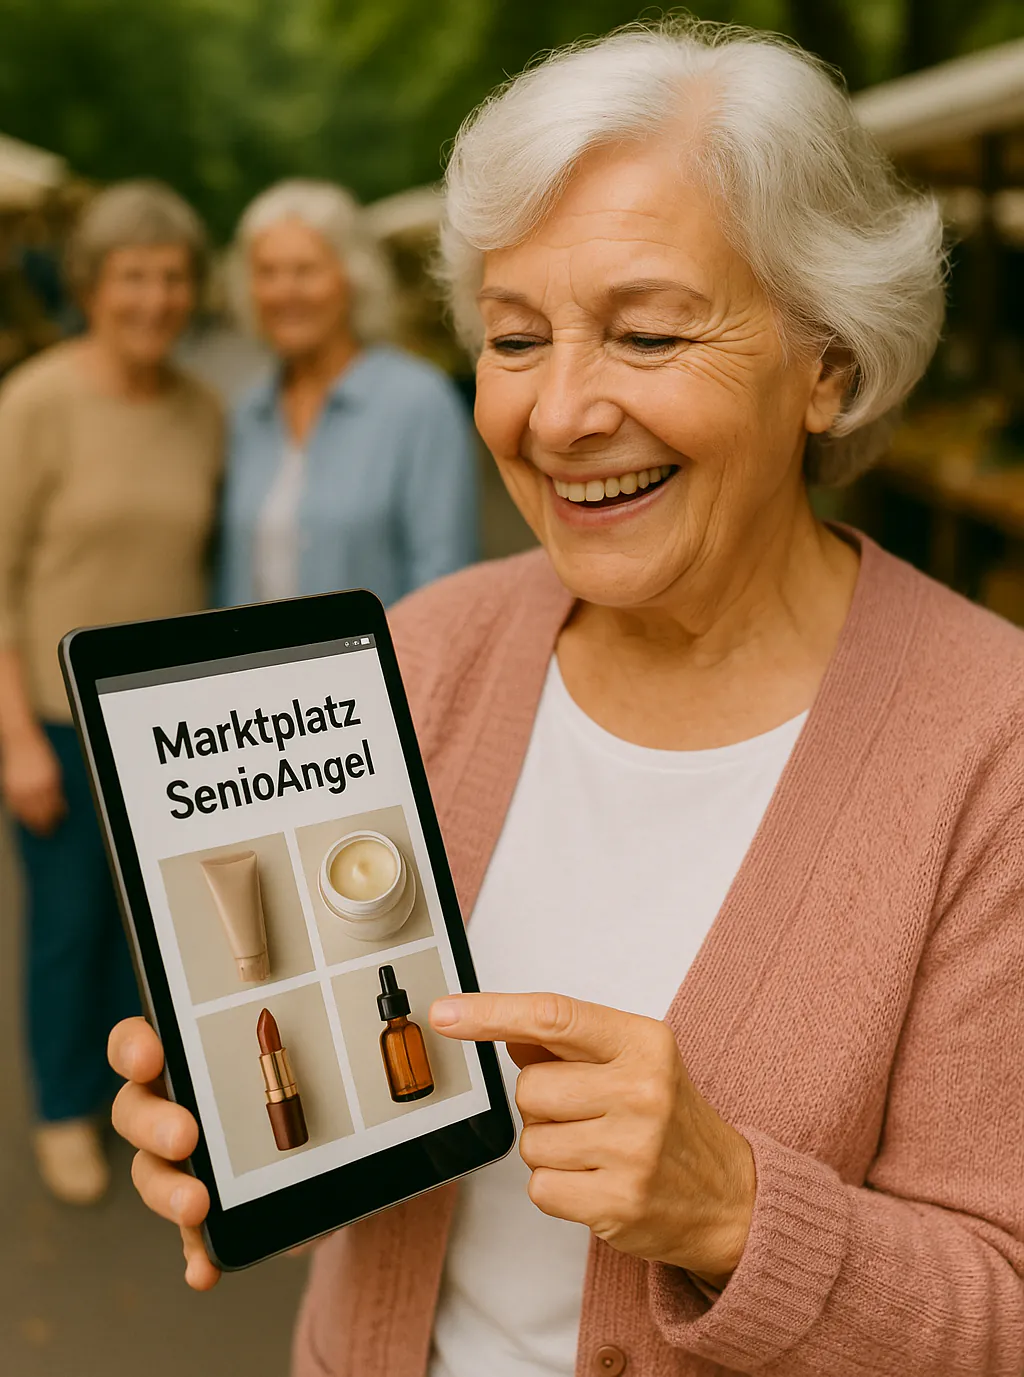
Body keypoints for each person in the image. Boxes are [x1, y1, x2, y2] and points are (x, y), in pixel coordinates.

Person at [109, 20, 1024, 1377]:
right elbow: (336, 1093)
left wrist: (733, 1211)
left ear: (828, 367)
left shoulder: (991, 751)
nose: (557, 415)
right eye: (515, 337)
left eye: (646, 334)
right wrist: (248, 1133)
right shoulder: (428, 652)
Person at [0, 181, 223, 1204]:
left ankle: (146, 1097)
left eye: (173, 277)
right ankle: (62, 1110)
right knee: (70, 927)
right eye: (133, 276)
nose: (156, 298)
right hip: (54, 722)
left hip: (166, 729)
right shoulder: (37, 402)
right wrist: (16, 741)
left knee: (161, 936)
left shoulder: (202, 411)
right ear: (91, 285)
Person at [216, 180, 478, 609]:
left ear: (353, 279)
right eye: (267, 272)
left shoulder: (419, 402)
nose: (285, 291)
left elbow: (444, 579)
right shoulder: (247, 413)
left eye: (305, 270)